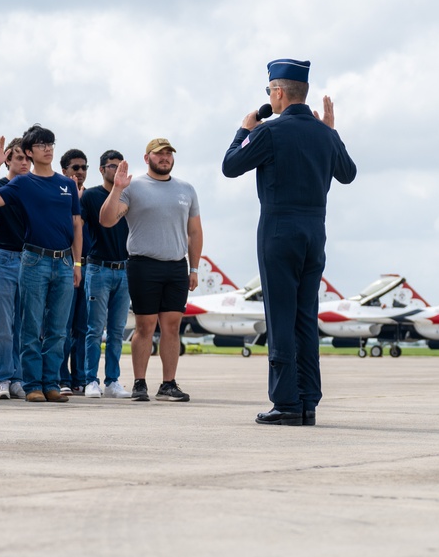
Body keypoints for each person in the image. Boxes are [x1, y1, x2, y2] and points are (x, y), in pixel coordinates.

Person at [222, 58, 357, 426]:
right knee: (304, 317)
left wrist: (243, 129)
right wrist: (331, 131)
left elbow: (230, 165)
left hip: (279, 231)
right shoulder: (325, 134)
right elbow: (348, 173)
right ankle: (308, 401)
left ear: (278, 92)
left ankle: (286, 402)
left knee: (280, 315)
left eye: (270, 92)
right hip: (315, 234)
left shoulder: (270, 132)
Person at [99, 138, 203, 403]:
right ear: (147, 158)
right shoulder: (133, 188)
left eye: (168, 154)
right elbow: (107, 220)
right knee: (145, 325)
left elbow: (194, 231)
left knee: (172, 326)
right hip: (144, 264)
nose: (165, 158)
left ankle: (168, 384)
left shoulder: (186, 189)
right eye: (159, 154)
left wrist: (195, 268)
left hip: (176, 265)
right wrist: (117, 190)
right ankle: (140, 383)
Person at [0, 125, 82, 403]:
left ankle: (51, 383)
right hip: (33, 260)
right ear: (29, 152)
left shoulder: (67, 184)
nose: (48, 148)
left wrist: (77, 264)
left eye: (51, 143)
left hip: (64, 261)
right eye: (41, 145)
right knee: (30, 325)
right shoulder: (22, 182)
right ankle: (32, 384)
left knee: (58, 328)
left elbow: (76, 225)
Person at [80, 150, 131, 399]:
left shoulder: (129, 196)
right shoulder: (90, 196)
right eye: (112, 166)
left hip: (124, 269)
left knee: (117, 330)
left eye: (121, 166)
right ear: (101, 170)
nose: (117, 170)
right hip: (98, 268)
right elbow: (78, 229)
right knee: (94, 328)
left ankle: (113, 380)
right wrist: (78, 265)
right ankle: (90, 379)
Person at [0, 138, 30, 400]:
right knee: (2, 325)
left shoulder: (34, 187)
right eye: (18, 158)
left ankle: (18, 378)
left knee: (25, 327)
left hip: (30, 259)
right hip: (2, 258)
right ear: (9, 161)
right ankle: (1, 377)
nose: (24, 162)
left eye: (27, 158)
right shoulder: (1, 185)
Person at [58, 148, 91, 394]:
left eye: (83, 168)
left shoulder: (90, 197)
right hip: (66, 264)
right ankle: (61, 378)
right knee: (62, 326)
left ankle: (80, 377)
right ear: (64, 170)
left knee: (82, 326)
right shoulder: (59, 194)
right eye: (75, 167)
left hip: (89, 266)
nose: (80, 172)